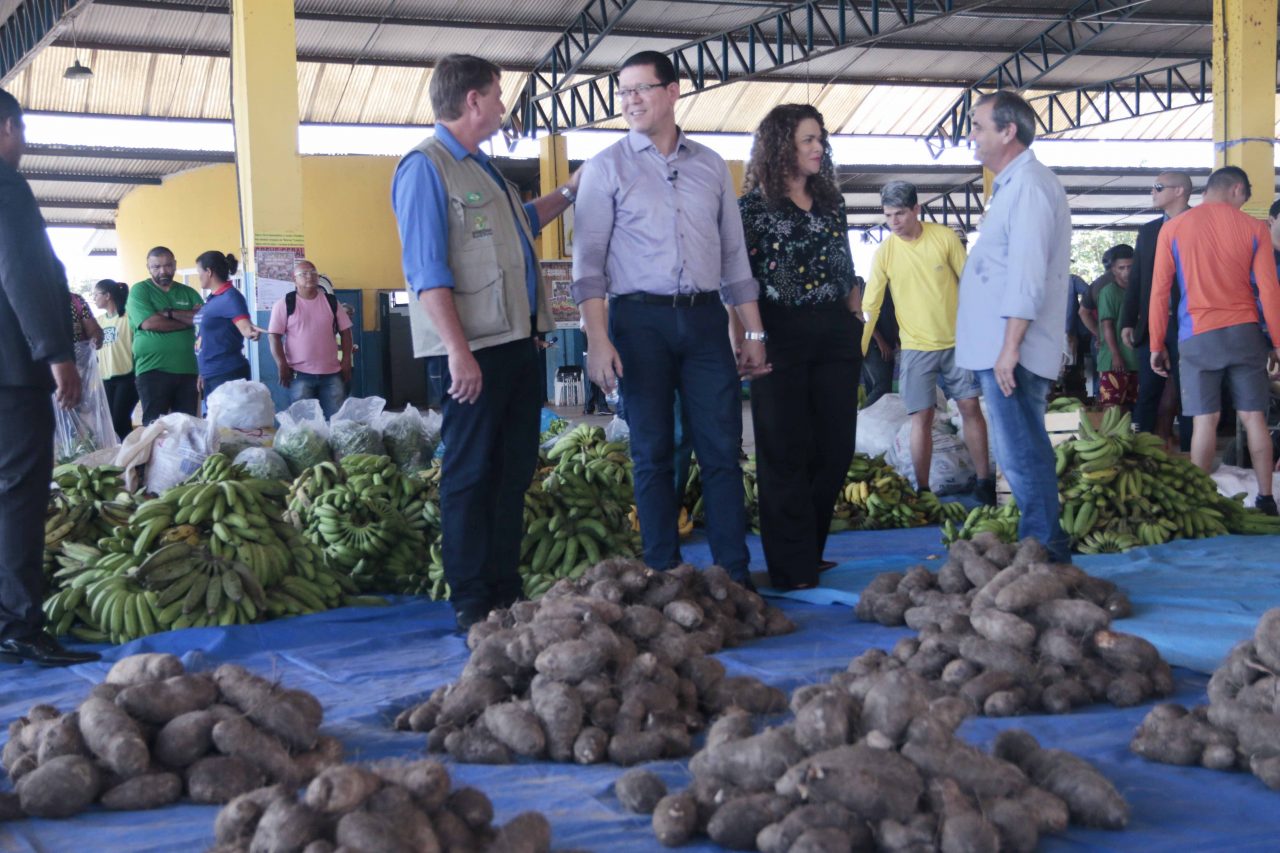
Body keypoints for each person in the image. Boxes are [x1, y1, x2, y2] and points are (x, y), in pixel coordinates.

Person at [392, 54, 578, 631]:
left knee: (512, 468)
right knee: (471, 473)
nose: (502, 106)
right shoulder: (426, 168)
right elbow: (427, 270)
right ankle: (471, 598)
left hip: (519, 344)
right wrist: (458, 351)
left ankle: (505, 587)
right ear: (472, 100)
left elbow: (521, 224)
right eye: (498, 96)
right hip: (474, 351)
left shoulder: (485, 170)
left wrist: (569, 194)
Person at [573, 50, 769, 588]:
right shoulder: (606, 167)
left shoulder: (710, 166)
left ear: (673, 91)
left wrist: (751, 331)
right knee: (653, 452)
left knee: (723, 451)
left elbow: (735, 258)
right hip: (639, 324)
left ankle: (734, 573)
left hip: (706, 321)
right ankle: (661, 571)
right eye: (624, 91)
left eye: (641, 88)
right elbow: (588, 266)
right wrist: (596, 338)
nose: (630, 100)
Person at [736, 104, 861, 590]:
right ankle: (792, 567)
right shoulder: (750, 209)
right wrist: (746, 337)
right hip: (778, 333)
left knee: (834, 449)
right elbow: (737, 280)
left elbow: (846, 264)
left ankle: (809, 549)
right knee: (783, 449)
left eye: (820, 139)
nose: (818, 147)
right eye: (809, 139)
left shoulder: (832, 204)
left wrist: (853, 310)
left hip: (835, 331)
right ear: (781, 145)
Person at [0, 89, 99, 666]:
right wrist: (56, 354)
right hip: (12, 373)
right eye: (22, 129)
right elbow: (25, 273)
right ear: (9, 127)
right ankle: (19, 625)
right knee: (18, 496)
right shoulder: (8, 186)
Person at [955, 90, 1071, 561]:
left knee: (1021, 453)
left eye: (979, 126)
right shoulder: (1013, 185)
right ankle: (1043, 545)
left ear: (1009, 131)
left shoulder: (1029, 186)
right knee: (1022, 450)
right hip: (1004, 346)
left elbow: (1026, 273)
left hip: (1013, 351)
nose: (972, 136)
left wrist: (1010, 346)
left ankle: (1044, 549)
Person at [1150, 166, 1280, 514]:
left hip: (1197, 336)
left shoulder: (1173, 228)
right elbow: (1269, 291)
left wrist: (1155, 343)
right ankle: (1266, 498)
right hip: (1244, 334)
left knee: (1204, 420)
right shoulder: (1255, 229)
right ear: (1237, 189)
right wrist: (1279, 342)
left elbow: (1160, 292)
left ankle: (1198, 502)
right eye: (1244, 199)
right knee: (1254, 417)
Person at [863, 180, 994, 504]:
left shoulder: (944, 238)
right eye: (888, 215)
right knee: (920, 417)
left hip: (957, 343)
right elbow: (871, 303)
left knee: (969, 408)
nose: (894, 221)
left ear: (916, 210)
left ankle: (984, 481)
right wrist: (861, 343)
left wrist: (983, 331)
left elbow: (971, 285)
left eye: (901, 214)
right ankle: (922, 490)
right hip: (916, 348)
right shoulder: (885, 253)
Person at [1120, 172, 1193, 448]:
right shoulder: (1149, 231)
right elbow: (1137, 278)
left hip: (1190, 325)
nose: (1152, 192)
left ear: (1179, 191)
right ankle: (1140, 455)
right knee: (1148, 391)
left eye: (1158, 187)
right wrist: (1128, 321)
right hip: (1152, 324)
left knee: (1189, 394)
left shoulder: (1199, 226)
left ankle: (1190, 453)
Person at [268, 259, 353, 418]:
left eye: (313, 273)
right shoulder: (285, 304)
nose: (310, 277)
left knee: (336, 421)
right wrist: (281, 364)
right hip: (299, 375)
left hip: (332, 374)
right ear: (294, 279)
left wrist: (346, 360)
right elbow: (274, 337)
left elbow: (346, 332)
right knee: (305, 426)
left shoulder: (331, 302)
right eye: (304, 274)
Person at [127, 246, 203, 423]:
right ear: (148, 267)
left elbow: (201, 320)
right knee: (155, 427)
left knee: (187, 427)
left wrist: (168, 313)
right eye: (156, 267)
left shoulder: (189, 292)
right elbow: (149, 323)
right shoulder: (140, 291)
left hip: (189, 370)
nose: (163, 271)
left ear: (175, 265)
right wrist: (186, 320)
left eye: (168, 265)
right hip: (153, 370)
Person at [193, 251, 260, 400]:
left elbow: (246, 328)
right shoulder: (213, 299)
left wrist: (251, 332)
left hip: (226, 372)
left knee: (229, 423)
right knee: (215, 421)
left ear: (209, 272)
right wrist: (202, 372)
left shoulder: (230, 297)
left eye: (199, 272)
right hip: (210, 372)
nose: (199, 277)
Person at [93, 279, 138, 440]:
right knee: (110, 423)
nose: (94, 298)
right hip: (106, 378)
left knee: (120, 420)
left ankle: (133, 458)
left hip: (127, 377)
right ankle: (121, 457)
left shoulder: (128, 317)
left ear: (108, 296)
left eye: (96, 294)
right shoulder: (99, 321)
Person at [1095, 244, 1138, 408]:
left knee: (1132, 409)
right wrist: (1115, 354)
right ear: (1113, 269)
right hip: (1114, 360)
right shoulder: (1108, 292)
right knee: (1112, 409)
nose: (1126, 272)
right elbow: (1107, 325)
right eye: (1121, 268)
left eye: (1130, 267)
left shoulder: (1139, 291)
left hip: (1136, 359)